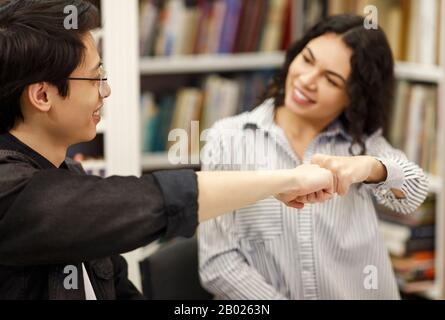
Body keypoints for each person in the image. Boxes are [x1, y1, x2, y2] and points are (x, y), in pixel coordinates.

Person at [0, 0, 335, 300]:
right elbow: (159, 199)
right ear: (42, 96)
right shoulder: (9, 188)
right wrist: (282, 181)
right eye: (95, 78)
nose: (108, 90)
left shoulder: (68, 173)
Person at [198, 15, 429, 300]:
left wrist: (369, 167)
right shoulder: (228, 139)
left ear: (354, 96)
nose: (307, 81)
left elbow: (414, 193)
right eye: (307, 60)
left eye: (331, 79)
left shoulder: (361, 143)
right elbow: (217, 263)